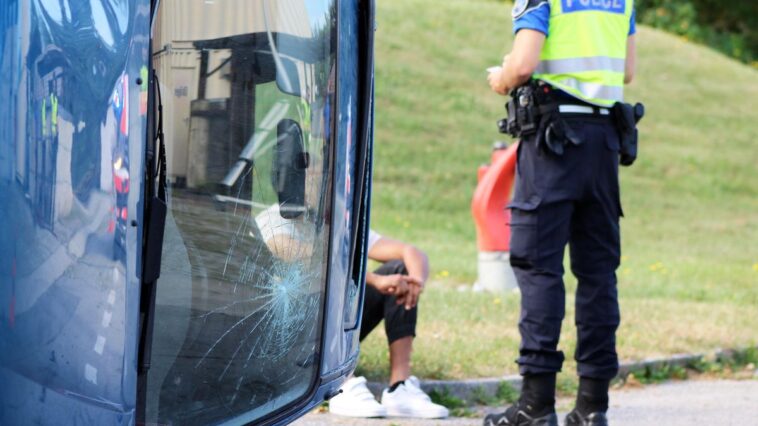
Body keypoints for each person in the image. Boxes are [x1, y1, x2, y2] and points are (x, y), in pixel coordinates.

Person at [485, 0, 637, 425]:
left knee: (538, 267)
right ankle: (592, 407)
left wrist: (502, 77)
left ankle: (535, 404)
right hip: (604, 143)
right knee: (598, 274)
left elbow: (523, 65)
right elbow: (626, 71)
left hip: (553, 143)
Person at [254, 206, 448, 419]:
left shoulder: (338, 218)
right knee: (324, 274)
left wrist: (415, 282)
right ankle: (343, 383)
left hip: (337, 328)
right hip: (292, 333)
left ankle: (399, 388)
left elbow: (411, 252)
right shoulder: (272, 220)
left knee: (399, 271)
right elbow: (311, 261)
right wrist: (376, 280)